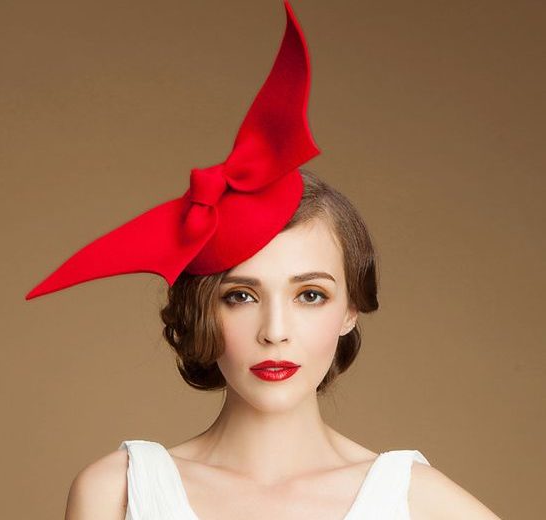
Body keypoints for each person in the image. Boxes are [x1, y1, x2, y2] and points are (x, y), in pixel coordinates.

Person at [25, 2, 502, 519]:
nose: (275, 332)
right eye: (241, 296)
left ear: (350, 309)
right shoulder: (115, 491)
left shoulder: (416, 500)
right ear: (203, 308)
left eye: (310, 295)